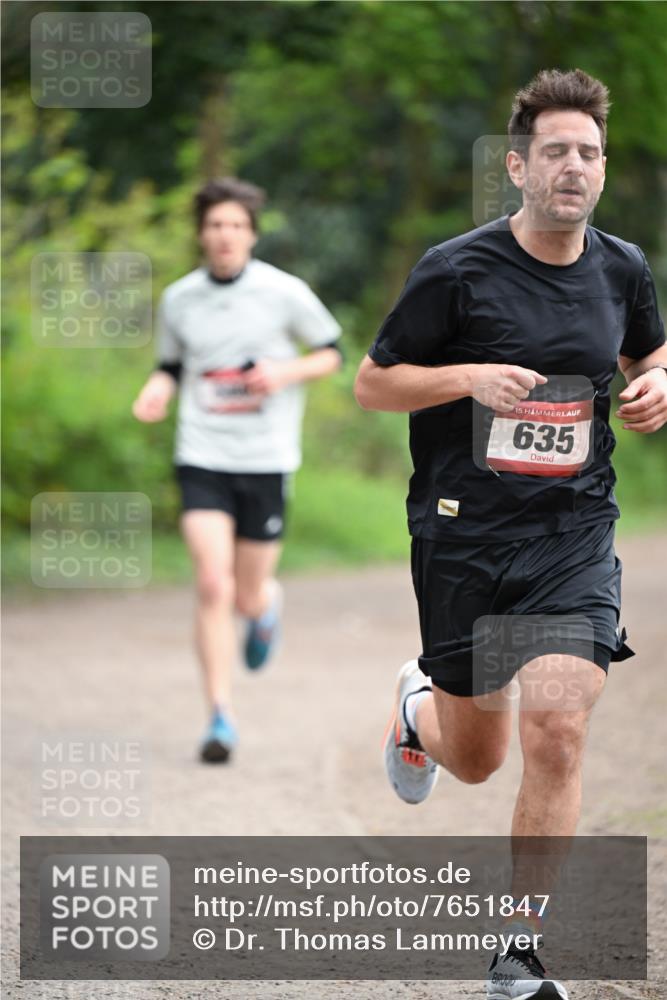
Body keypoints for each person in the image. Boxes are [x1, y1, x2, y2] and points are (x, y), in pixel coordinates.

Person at [355, 69, 666, 999]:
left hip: (571, 532)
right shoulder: (457, 269)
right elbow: (374, 384)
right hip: (463, 537)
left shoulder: (623, 267)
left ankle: (518, 950)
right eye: (555, 152)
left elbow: (647, 351)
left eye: (588, 153)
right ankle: (416, 712)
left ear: (601, 170)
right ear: (519, 168)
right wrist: (465, 378)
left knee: (559, 729)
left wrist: (659, 381)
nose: (572, 168)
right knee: (479, 760)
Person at [133, 177, 341, 764]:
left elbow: (332, 352)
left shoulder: (284, 292)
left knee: (245, 594)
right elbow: (171, 365)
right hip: (202, 454)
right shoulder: (179, 299)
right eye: (215, 225)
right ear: (201, 234)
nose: (225, 236)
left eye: (236, 226)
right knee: (211, 583)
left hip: (266, 459)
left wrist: (283, 373)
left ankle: (264, 606)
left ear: (250, 234)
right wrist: (156, 389)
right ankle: (220, 716)